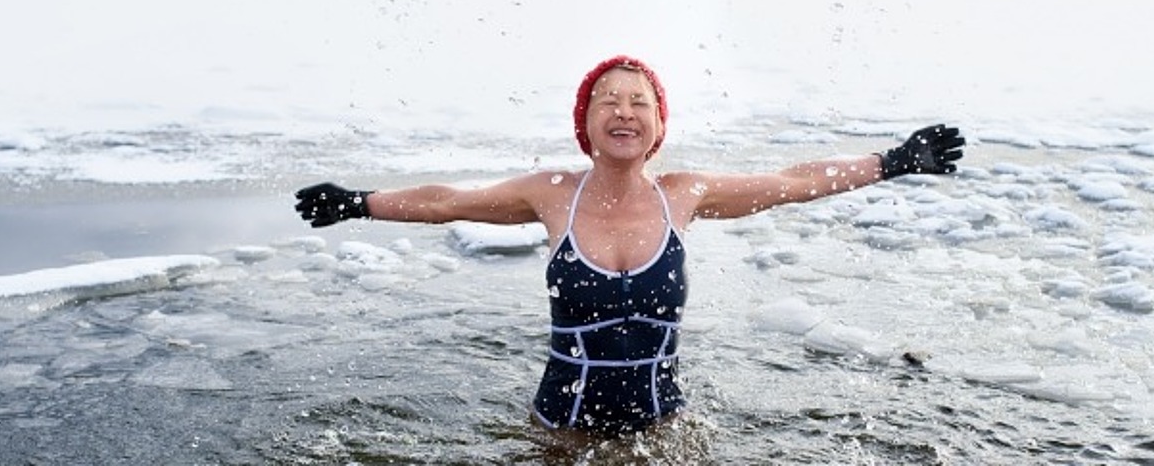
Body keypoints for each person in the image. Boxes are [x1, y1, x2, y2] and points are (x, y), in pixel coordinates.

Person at [294, 54, 964, 437]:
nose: (623, 111)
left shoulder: (684, 194)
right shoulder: (553, 194)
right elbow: (448, 202)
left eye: (639, 102)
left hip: (664, 432)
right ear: (585, 124)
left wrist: (893, 161)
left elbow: (790, 182)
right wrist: (360, 203)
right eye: (607, 100)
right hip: (560, 428)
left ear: (658, 124)